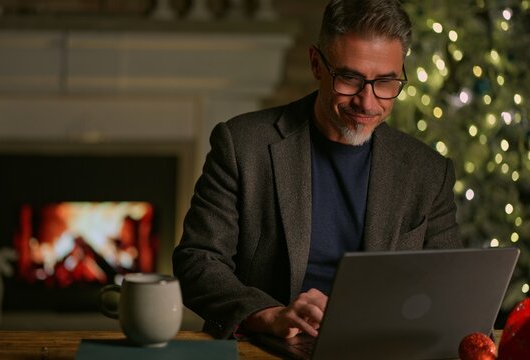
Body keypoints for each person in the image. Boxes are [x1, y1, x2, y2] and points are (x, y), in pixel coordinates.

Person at [172, 0, 462, 341]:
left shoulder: (429, 172)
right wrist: (269, 315)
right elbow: (198, 260)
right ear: (316, 64)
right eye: (350, 79)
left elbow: (450, 287)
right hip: (269, 346)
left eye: (386, 82)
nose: (367, 103)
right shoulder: (242, 145)